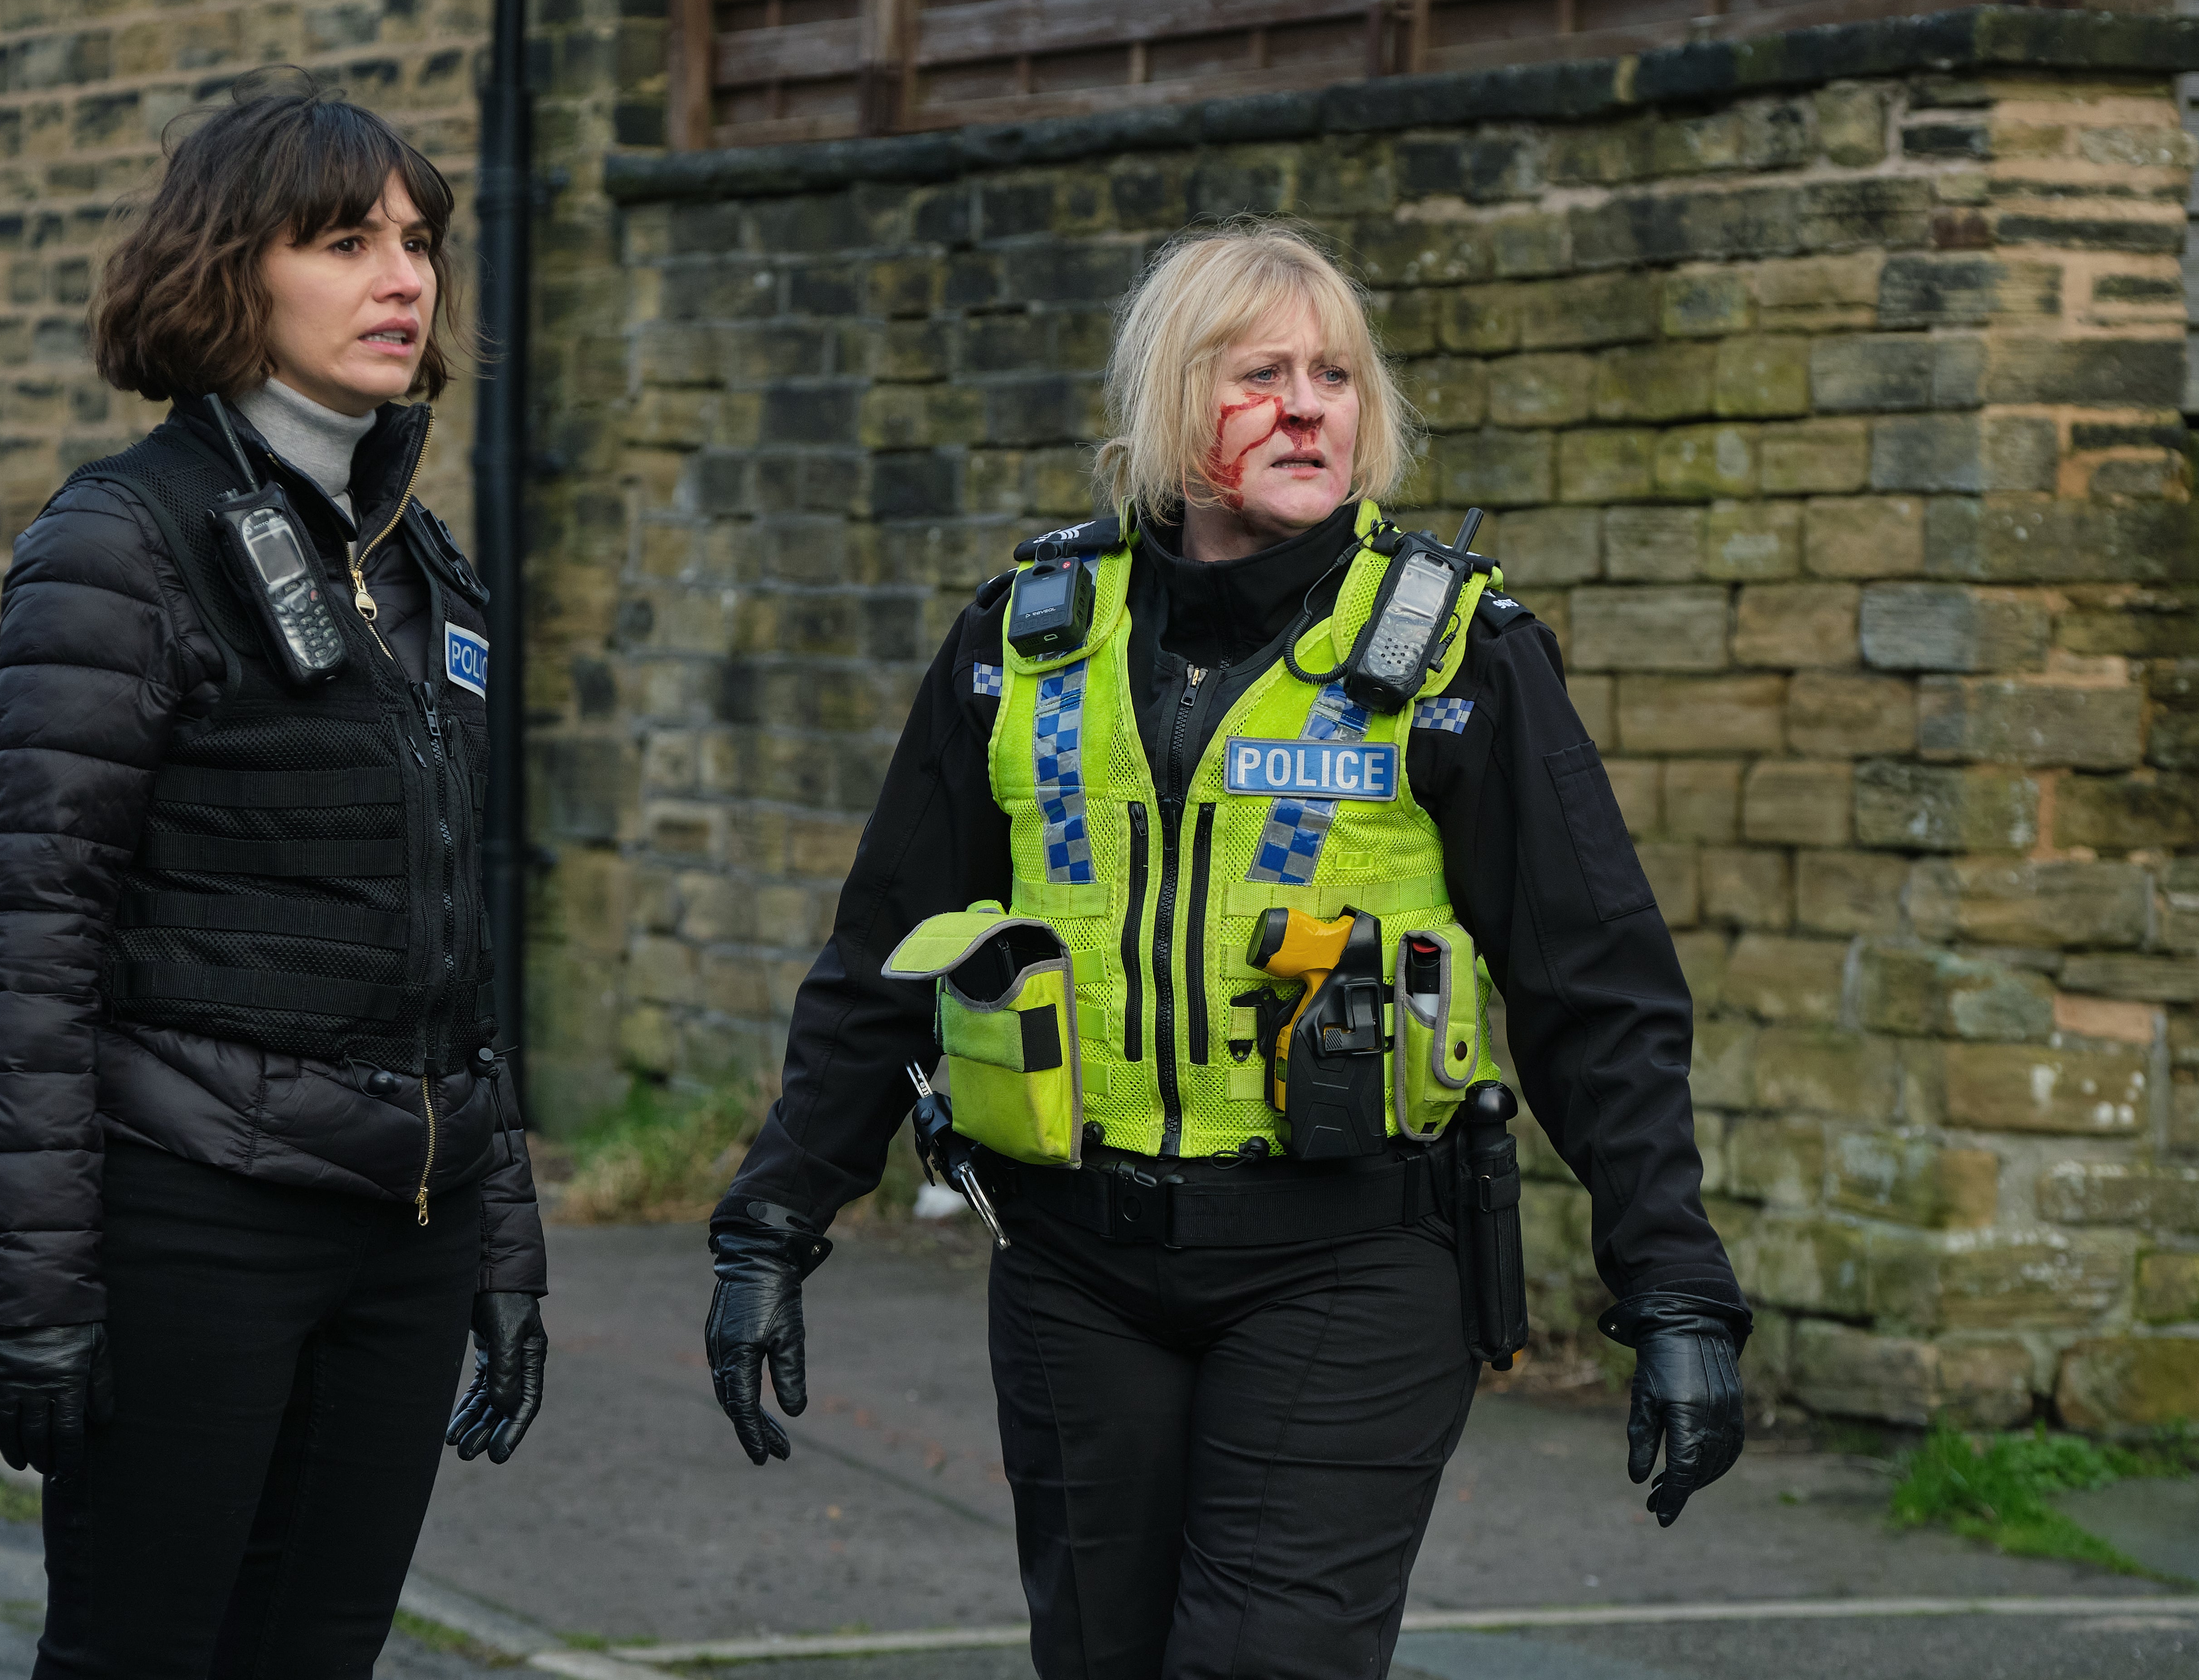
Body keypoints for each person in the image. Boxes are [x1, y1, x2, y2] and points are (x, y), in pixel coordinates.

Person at [704, 221, 1750, 1680]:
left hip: (1352, 1263)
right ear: (1172, 404)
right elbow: (883, 959)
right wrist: (771, 1228)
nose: (1309, 403)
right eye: (1258, 371)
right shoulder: (1020, 641)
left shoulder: (1457, 654)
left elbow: (1598, 997)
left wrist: (1676, 1294)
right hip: (1073, 1262)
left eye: (1334, 373)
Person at [0, 69, 545, 1680]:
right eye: (347, 241)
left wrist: (500, 1238)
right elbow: (35, 941)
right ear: (234, 270)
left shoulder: (424, 571)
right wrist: (34, 1293)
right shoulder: (121, 543)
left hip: (403, 1224)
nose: (404, 278)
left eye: (418, 242)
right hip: (195, 1217)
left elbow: (450, 931)